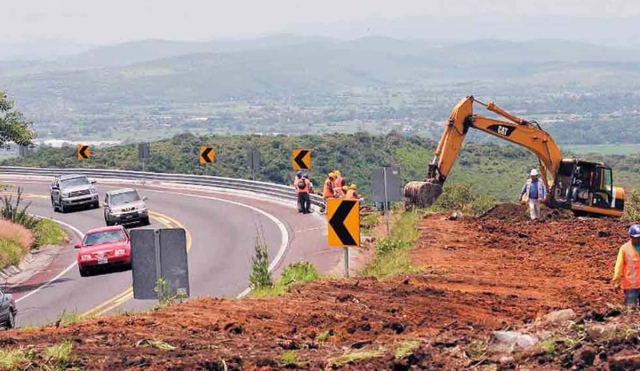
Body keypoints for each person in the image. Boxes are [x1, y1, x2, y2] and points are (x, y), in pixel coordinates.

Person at [612, 225, 640, 306]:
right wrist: (616, 280)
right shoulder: (625, 248)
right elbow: (619, 265)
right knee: (630, 310)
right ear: (631, 236)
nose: (638, 239)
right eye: (636, 237)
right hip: (631, 286)